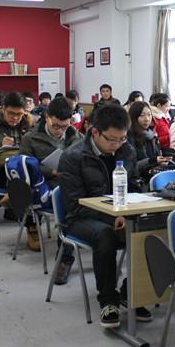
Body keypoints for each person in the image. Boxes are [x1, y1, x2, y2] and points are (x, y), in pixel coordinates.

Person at [58, 103, 150, 328]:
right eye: (112, 139)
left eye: (122, 138)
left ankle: (130, 291)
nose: (117, 144)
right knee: (106, 235)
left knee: (151, 228)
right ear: (95, 132)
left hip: (121, 213)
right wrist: (111, 217)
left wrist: (134, 211)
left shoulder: (126, 150)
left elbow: (134, 186)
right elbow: (74, 205)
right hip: (81, 219)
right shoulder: (73, 157)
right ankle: (108, 300)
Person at [19, 96, 82, 268]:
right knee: (69, 202)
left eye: (64, 126)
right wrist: (51, 171)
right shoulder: (31, 138)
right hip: (45, 186)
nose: (59, 131)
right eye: (55, 126)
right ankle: (64, 259)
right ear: (46, 117)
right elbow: (25, 166)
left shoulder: (76, 136)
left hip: (71, 182)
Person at [127, 101, 171, 183]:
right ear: (134, 117)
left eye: (149, 115)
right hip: (137, 181)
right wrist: (152, 161)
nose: (147, 119)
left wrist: (161, 162)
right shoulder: (129, 136)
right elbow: (131, 166)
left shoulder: (152, 134)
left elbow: (156, 157)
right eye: (142, 115)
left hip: (152, 177)